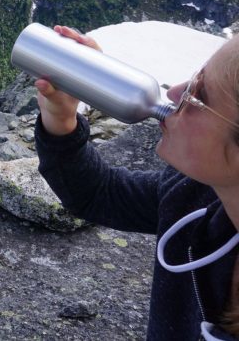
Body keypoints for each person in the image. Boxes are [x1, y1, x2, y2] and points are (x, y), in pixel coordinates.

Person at [34, 24, 239, 341]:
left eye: (198, 95)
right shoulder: (195, 194)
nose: (174, 92)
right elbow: (100, 195)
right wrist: (60, 119)